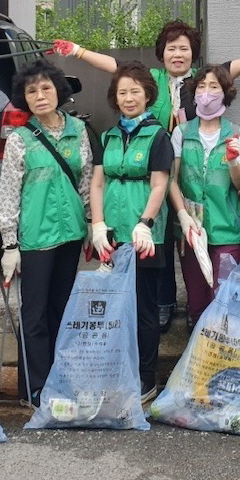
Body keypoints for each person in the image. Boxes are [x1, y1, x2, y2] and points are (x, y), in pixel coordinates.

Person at [54, 21, 240, 332]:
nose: (177, 54)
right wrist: (77, 51)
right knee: (161, 239)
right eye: (171, 48)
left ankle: (202, 313)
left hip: (188, 174)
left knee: (188, 241)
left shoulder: (201, 82)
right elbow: (115, 66)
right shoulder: (153, 80)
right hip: (153, 172)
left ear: (193, 54)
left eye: (184, 48)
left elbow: (237, 65)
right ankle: (165, 301)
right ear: (162, 53)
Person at [0, 59, 94, 409]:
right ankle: (35, 388)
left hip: (70, 236)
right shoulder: (21, 138)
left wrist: (90, 227)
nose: (40, 96)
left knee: (62, 310)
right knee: (34, 315)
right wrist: (9, 243)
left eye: (46, 88)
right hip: (35, 238)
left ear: (58, 91)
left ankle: (59, 379)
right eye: (31, 90)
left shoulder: (78, 131)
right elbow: (7, 192)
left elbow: (84, 183)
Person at [89, 61, 173, 402]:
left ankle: (145, 377)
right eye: (122, 92)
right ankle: (116, 371)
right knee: (114, 307)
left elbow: (159, 185)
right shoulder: (108, 136)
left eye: (135, 92)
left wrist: (146, 223)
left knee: (143, 308)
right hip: (111, 232)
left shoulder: (157, 136)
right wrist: (96, 225)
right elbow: (97, 183)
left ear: (148, 96)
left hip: (144, 234)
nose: (128, 98)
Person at [168, 64, 240, 328]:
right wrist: (183, 218)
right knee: (197, 300)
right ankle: (200, 360)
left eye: (214, 87)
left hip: (227, 228)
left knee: (225, 299)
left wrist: (234, 162)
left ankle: (227, 359)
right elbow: (172, 180)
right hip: (191, 229)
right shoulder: (182, 132)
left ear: (225, 93)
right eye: (201, 86)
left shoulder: (235, 133)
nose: (206, 92)